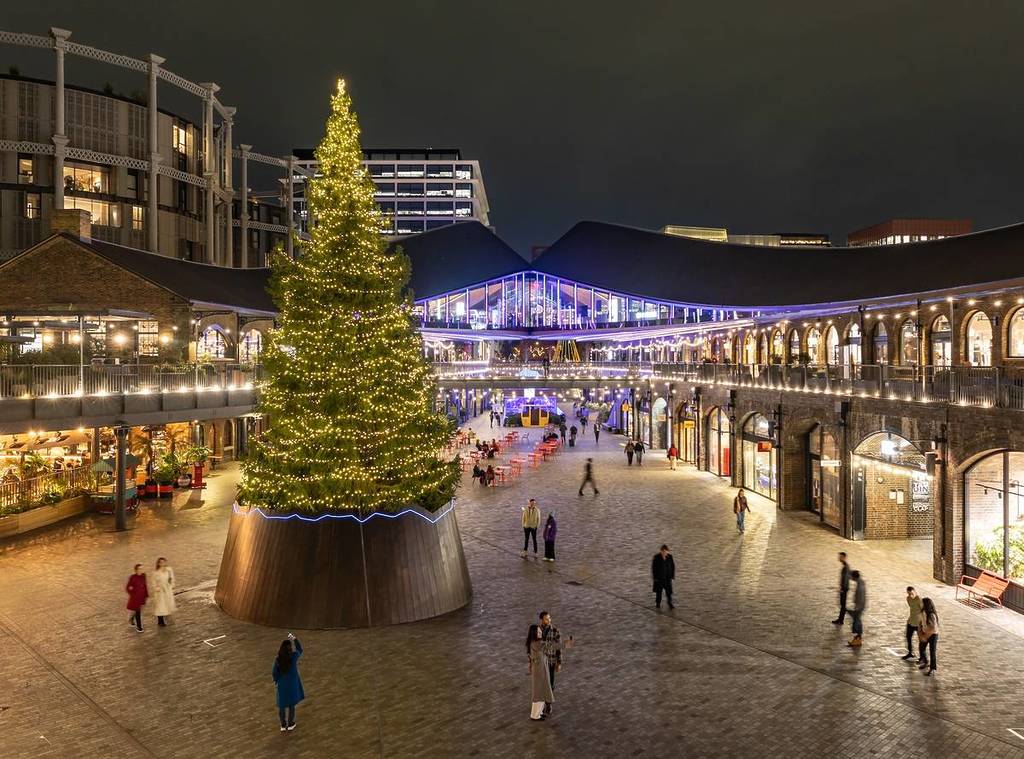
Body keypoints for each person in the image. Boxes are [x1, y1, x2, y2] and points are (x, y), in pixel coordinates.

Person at [272, 633, 304, 731]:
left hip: (282, 684)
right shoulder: (293, 657)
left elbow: (274, 672)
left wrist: (277, 680)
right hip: (292, 684)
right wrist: (294, 639)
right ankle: (290, 723)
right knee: (291, 705)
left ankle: (283, 724)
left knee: (282, 705)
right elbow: (299, 649)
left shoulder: (278, 660)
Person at [527, 624, 554, 721]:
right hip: (540, 671)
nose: (540, 633)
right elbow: (551, 646)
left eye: (540, 631)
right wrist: (565, 644)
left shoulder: (534, 642)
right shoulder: (537, 643)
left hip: (540, 669)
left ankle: (540, 712)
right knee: (539, 692)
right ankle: (535, 715)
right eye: (538, 632)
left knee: (541, 690)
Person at [538, 611, 563, 716]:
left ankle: (548, 704)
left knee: (551, 683)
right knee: (541, 683)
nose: (549, 620)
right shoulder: (536, 631)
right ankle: (542, 703)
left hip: (551, 661)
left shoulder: (555, 631)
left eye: (549, 618)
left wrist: (559, 662)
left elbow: (559, 647)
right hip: (540, 662)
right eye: (546, 619)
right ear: (541, 620)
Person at [150, 557, 176, 627]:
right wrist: (157, 588)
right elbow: (153, 583)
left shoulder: (169, 570)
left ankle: (168, 618)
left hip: (167, 589)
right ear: (158, 563)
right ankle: (160, 621)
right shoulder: (156, 573)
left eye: (164, 562)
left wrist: (172, 585)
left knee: (167, 604)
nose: (162, 563)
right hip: (160, 591)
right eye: (161, 562)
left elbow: (172, 578)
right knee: (160, 606)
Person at [917, 597, 939, 676]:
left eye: (922, 603)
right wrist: (920, 633)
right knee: (921, 648)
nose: (920, 604)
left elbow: (933, 628)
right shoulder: (922, 613)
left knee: (932, 651)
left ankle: (932, 669)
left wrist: (925, 636)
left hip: (933, 635)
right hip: (925, 633)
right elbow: (920, 623)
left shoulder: (932, 615)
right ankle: (925, 661)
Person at [125, 563, 148, 633]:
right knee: (138, 611)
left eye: (142, 569)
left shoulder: (144, 576)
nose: (141, 570)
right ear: (136, 570)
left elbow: (145, 586)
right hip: (135, 598)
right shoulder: (132, 577)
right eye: (139, 569)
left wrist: (146, 595)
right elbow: (128, 588)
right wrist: (132, 594)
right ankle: (139, 627)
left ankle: (132, 618)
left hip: (142, 597)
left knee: (140, 610)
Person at [902, 587, 923, 661]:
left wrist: (923, 622)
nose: (910, 595)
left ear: (915, 591)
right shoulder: (908, 599)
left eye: (911, 593)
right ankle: (910, 652)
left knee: (921, 640)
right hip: (911, 621)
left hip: (918, 623)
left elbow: (922, 610)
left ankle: (922, 657)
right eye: (908, 594)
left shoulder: (919, 599)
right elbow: (911, 608)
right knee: (908, 637)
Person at [651, 544, 675, 609]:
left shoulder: (670, 557)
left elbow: (672, 566)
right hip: (659, 579)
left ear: (667, 551)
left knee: (669, 592)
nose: (664, 553)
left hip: (667, 578)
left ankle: (670, 603)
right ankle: (658, 603)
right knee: (659, 592)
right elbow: (654, 568)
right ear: (661, 551)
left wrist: (672, 576)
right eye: (663, 551)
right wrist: (655, 578)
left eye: (666, 551)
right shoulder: (656, 557)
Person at [831, 552, 850, 625]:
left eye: (841, 557)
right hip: (844, 588)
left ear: (844, 557)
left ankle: (841, 620)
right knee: (842, 604)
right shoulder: (845, 566)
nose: (839, 558)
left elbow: (845, 579)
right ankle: (840, 619)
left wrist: (842, 589)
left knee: (843, 605)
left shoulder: (846, 567)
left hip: (844, 589)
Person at [848, 570, 866, 647]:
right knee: (857, 620)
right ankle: (858, 637)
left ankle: (858, 639)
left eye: (851, 576)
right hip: (860, 606)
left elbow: (860, 598)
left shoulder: (859, 586)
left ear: (854, 577)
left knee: (857, 621)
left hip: (859, 606)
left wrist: (857, 608)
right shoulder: (860, 582)